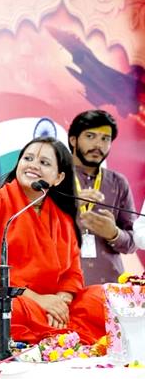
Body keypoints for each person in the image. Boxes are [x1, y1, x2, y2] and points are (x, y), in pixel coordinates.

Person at [0, 137, 105, 344]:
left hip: (50, 299)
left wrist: (61, 301)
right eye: (28, 158)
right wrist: (38, 300)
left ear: (58, 178)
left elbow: (73, 273)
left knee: (101, 299)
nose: (33, 165)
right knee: (12, 310)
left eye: (44, 162)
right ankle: (56, 334)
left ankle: (56, 329)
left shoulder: (62, 219)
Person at [68, 110, 137, 285]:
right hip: (64, 290)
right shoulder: (55, 178)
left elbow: (134, 241)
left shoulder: (118, 183)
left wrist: (114, 234)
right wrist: (68, 205)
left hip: (111, 289)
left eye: (105, 138)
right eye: (90, 136)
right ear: (73, 140)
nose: (98, 144)